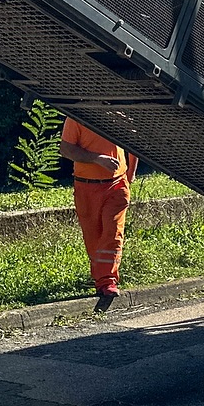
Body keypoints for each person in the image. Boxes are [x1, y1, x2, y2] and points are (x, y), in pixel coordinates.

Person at [60, 117, 136, 309]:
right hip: (86, 186)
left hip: (117, 184)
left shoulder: (117, 113)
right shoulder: (74, 117)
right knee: (93, 237)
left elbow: (135, 142)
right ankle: (100, 279)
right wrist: (97, 158)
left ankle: (108, 281)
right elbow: (66, 149)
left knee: (112, 232)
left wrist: (131, 173)